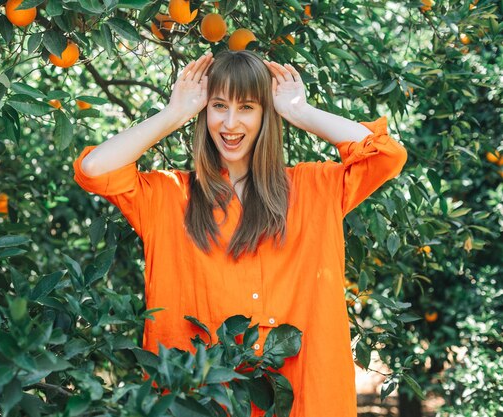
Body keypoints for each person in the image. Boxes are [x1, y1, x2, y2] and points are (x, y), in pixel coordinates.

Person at [73, 49, 408, 417]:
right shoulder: (169, 196)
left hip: (304, 400)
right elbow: (94, 169)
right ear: (204, 113)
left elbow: (386, 156)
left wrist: (300, 111)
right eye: (219, 106)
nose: (230, 123)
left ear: (266, 115)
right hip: (199, 403)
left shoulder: (315, 188)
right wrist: (174, 114)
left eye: (247, 107)